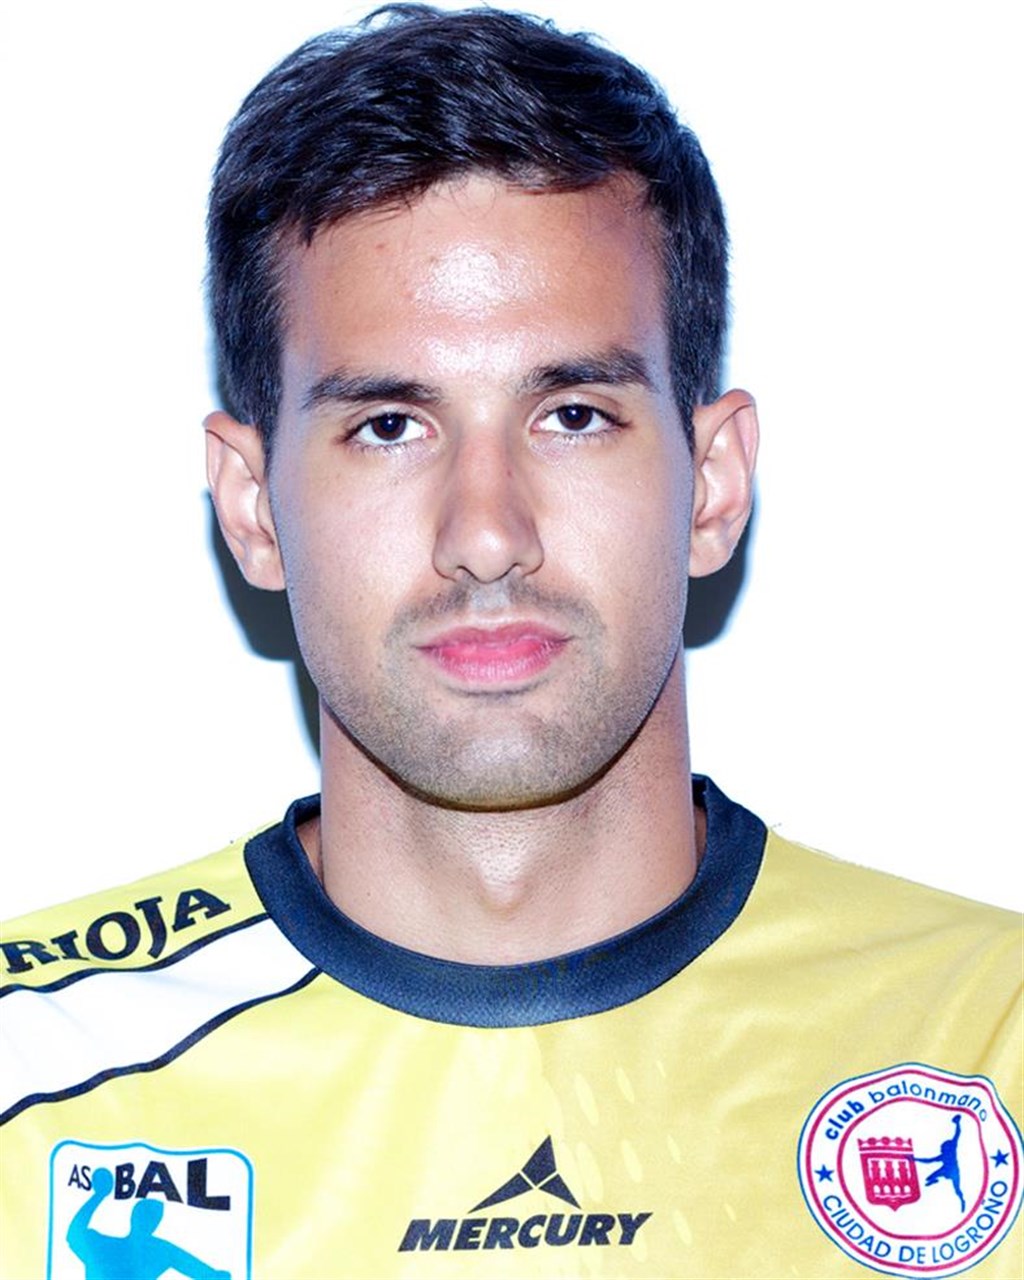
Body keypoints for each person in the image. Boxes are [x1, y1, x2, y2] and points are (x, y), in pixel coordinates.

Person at [1, 7, 1020, 1277]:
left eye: (573, 413)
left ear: (711, 485)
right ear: (252, 507)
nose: (486, 535)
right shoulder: (31, 1082)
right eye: (389, 426)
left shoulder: (988, 1041)